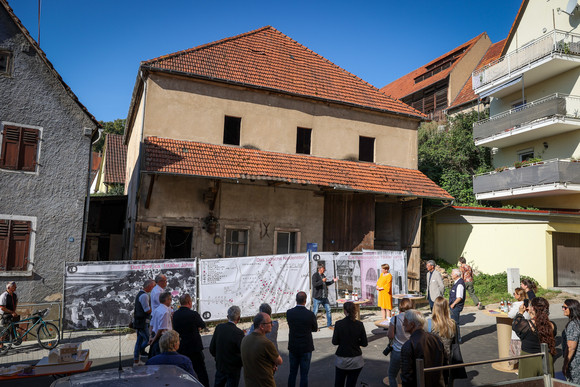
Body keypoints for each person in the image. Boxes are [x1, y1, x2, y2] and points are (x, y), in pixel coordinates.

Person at [512, 296, 557, 378]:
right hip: (546, 358)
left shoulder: (526, 325)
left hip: (529, 358)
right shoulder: (552, 325)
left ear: (532, 308)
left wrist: (520, 312)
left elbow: (515, 324)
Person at [400, 309, 446, 387]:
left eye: (405, 321)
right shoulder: (436, 338)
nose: (403, 324)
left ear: (412, 324)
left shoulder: (409, 345)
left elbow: (407, 377)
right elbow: (445, 363)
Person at [173, 293, 210, 387]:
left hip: (182, 345)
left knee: (184, 371)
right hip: (194, 346)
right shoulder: (193, 314)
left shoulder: (175, 314)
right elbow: (202, 325)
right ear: (189, 302)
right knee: (200, 370)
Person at [241, 312, 283, 387]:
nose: (272, 325)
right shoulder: (266, 343)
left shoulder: (245, 339)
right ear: (261, 326)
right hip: (265, 383)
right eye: (270, 323)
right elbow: (279, 361)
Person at [332, 301, 368, 387]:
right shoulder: (359, 324)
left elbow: (335, 342)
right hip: (356, 359)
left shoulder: (339, 324)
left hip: (342, 359)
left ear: (344, 311)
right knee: (351, 383)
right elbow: (364, 343)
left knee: (339, 383)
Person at [286, 291, 318, 387]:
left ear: (296, 300)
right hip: (306, 346)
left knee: (292, 373)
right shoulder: (310, 314)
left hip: (293, 346)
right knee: (304, 374)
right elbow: (314, 329)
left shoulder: (289, 313)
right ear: (305, 301)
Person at [209, 305, 244, 387]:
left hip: (221, 365)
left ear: (227, 316)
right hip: (233, 368)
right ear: (238, 318)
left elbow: (212, 348)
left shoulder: (219, 328)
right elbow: (243, 351)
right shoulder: (239, 333)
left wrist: (218, 357)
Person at [387, 297, 413, 387]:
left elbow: (390, 335)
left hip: (397, 350)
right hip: (411, 351)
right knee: (410, 376)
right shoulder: (414, 318)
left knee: (391, 375)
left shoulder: (395, 319)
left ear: (400, 306)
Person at [133, 279, 155, 366]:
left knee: (139, 341)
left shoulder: (140, 294)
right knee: (148, 340)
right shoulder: (144, 296)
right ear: (149, 286)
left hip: (139, 321)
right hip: (142, 322)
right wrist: (155, 310)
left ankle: (136, 360)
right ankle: (139, 353)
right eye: (153, 286)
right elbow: (147, 310)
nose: (153, 288)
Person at [507, 287, 530, 370]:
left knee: (516, 351)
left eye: (515, 294)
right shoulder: (527, 303)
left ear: (519, 295)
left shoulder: (517, 305)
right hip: (526, 330)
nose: (514, 295)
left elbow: (510, 315)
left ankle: (517, 367)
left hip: (517, 332)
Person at [312, 263, 338, 329]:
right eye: (324, 269)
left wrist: (333, 281)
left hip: (324, 297)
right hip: (317, 297)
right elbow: (314, 285)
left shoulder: (323, 275)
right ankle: (314, 327)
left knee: (328, 310)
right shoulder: (315, 275)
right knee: (315, 312)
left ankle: (329, 325)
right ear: (320, 269)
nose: (325, 270)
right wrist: (321, 281)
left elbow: (325, 283)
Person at [149, 291, 173, 358]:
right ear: (166, 300)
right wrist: (153, 339)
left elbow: (151, 324)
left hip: (155, 335)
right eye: (170, 299)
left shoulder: (157, 310)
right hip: (161, 337)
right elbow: (161, 328)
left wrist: (151, 336)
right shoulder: (165, 312)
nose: (171, 301)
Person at [562, 299, 580, 384]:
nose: (563, 309)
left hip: (575, 363)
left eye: (565, 307)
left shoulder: (573, 324)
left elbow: (571, 348)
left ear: (572, 309)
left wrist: (565, 363)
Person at [449, 268, 464, 342]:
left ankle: (458, 339)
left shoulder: (460, 284)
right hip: (453, 305)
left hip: (456, 306)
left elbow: (459, 297)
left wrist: (453, 304)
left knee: (455, 323)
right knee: (453, 323)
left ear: (456, 275)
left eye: (452, 273)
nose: (451, 275)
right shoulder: (456, 282)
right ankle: (455, 338)